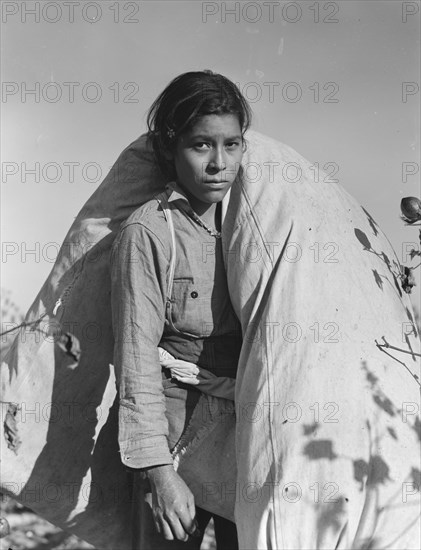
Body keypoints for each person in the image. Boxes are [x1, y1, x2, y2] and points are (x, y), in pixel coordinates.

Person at [110, 70, 252, 549]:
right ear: (171, 147)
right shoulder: (149, 233)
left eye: (231, 144)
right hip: (173, 432)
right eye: (201, 145)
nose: (219, 163)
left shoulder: (257, 223)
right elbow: (136, 357)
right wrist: (160, 474)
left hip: (248, 429)